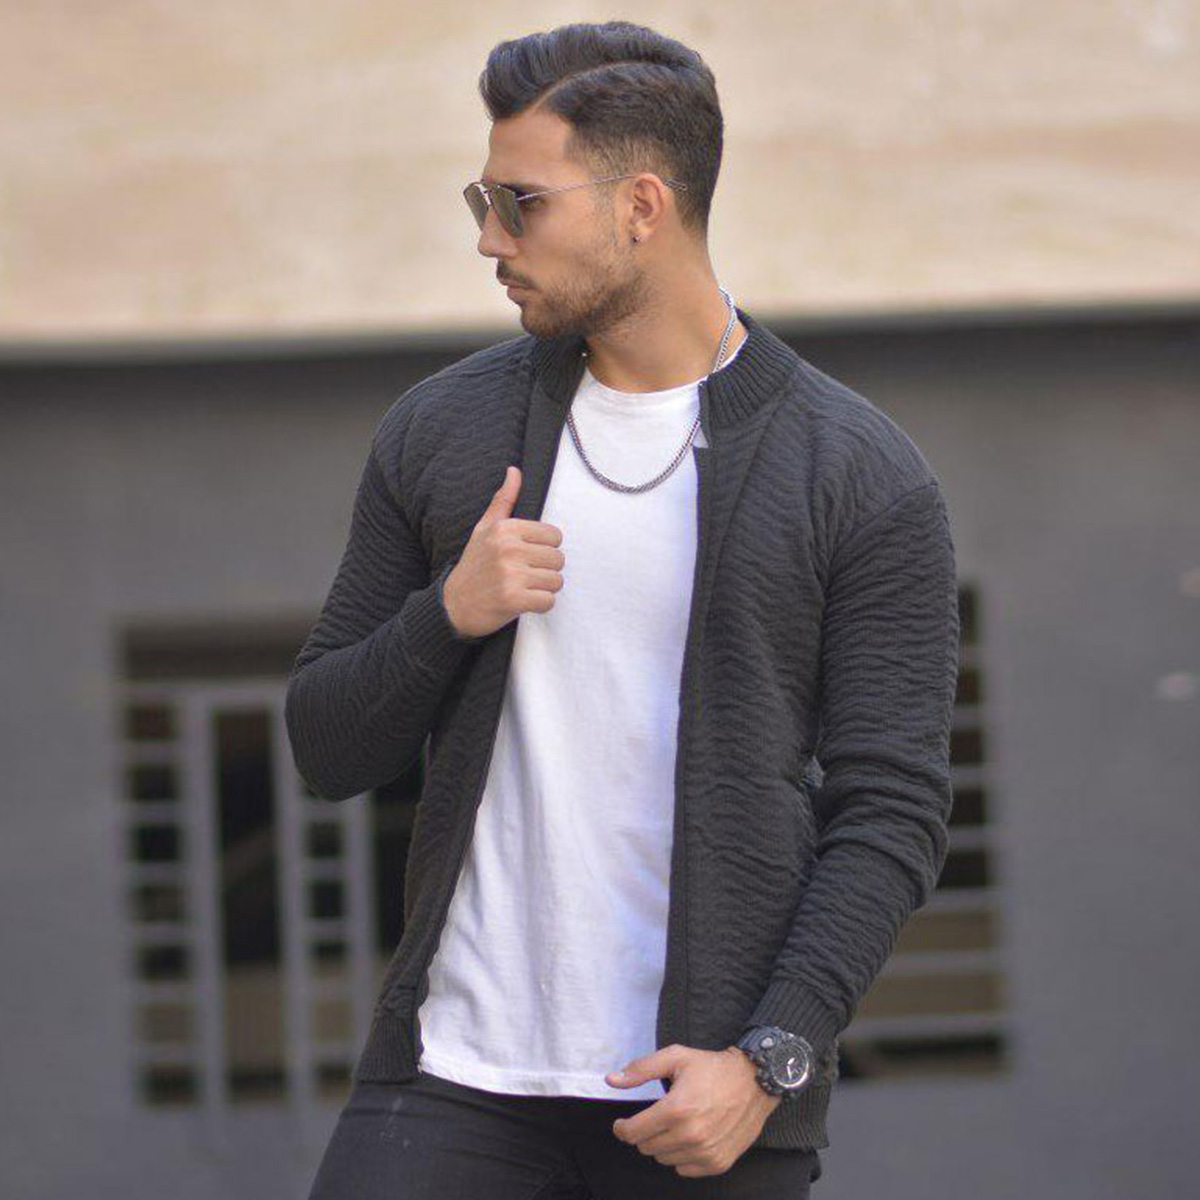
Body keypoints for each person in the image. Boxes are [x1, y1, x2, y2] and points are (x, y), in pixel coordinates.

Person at [286, 19, 959, 1200]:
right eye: (481, 199)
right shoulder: (443, 431)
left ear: (641, 205)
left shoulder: (857, 474)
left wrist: (772, 1059)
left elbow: (892, 811)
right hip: (452, 1076)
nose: (489, 238)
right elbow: (326, 747)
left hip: (696, 1100)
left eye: (520, 203)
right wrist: (449, 613)